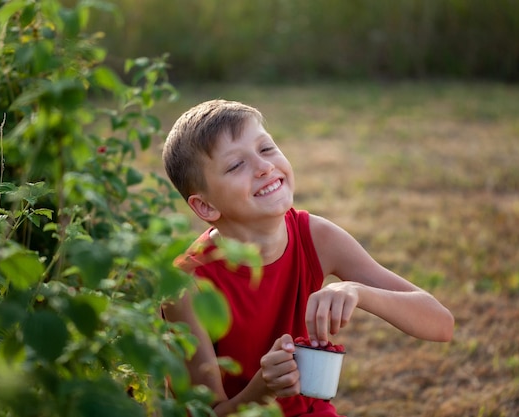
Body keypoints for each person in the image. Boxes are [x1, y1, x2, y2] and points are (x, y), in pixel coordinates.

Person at [161, 99, 454, 417]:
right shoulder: (186, 284)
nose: (263, 167)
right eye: (236, 165)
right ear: (205, 207)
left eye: (267, 148)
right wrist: (261, 391)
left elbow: (441, 324)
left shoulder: (315, 236)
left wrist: (356, 291)